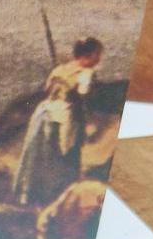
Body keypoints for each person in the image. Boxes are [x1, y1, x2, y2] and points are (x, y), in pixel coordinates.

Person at [13, 37, 103, 206]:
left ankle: (32, 197)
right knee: (65, 157)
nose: (99, 59)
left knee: (41, 156)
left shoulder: (59, 69)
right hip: (66, 118)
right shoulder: (87, 73)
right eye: (97, 54)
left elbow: (48, 89)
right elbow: (83, 94)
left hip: (43, 114)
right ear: (88, 55)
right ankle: (61, 199)